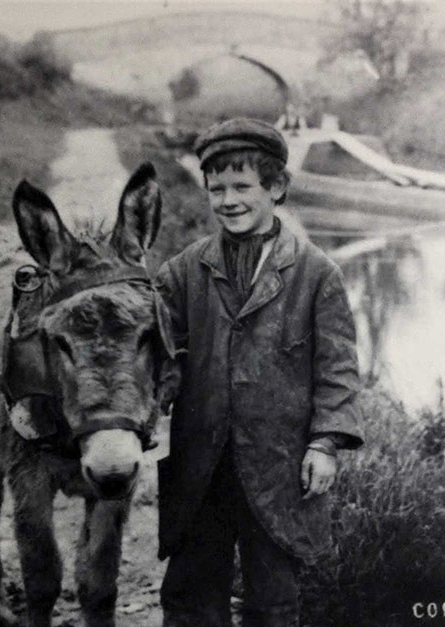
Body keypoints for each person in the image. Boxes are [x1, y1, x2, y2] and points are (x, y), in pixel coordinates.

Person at [155, 117, 364, 627]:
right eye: (216, 188)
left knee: (273, 599)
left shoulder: (317, 274)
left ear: (276, 188)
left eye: (243, 187)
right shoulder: (183, 271)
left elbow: (337, 368)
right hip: (201, 464)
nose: (229, 200)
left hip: (279, 466)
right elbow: (155, 350)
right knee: (189, 595)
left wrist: (325, 443)